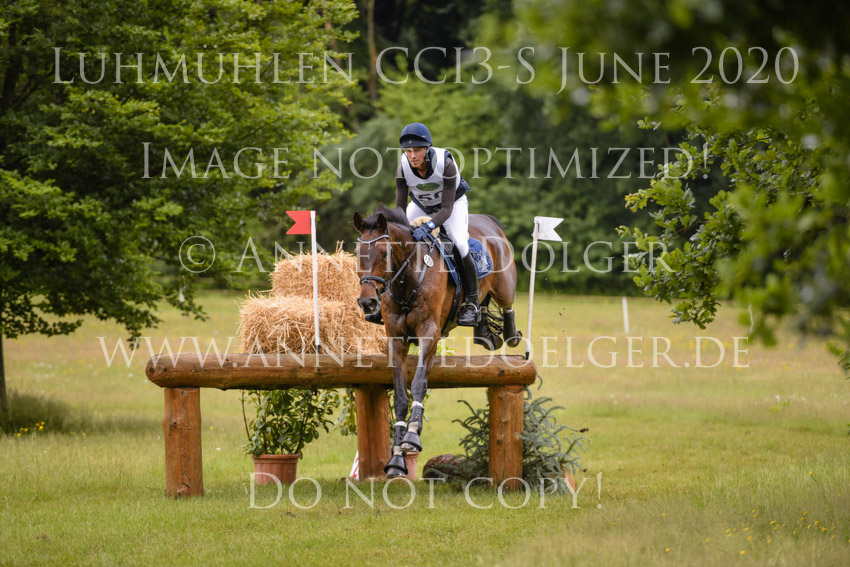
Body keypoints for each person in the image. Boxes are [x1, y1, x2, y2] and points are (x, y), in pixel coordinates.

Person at [396, 122, 479, 326]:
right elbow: (399, 209)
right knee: (398, 240)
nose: (412, 155)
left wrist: (429, 226)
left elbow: (446, 209)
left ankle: (472, 303)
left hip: (452, 205)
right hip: (421, 205)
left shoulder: (446, 164)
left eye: (417, 150)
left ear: (427, 148)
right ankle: (389, 296)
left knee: (459, 243)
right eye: (408, 151)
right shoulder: (403, 168)